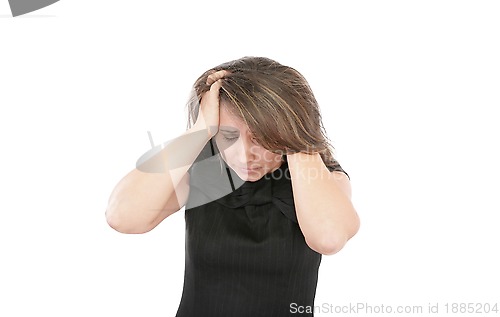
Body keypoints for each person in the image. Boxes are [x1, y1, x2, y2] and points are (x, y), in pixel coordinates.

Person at [106, 56, 360, 316]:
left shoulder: (318, 179)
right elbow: (122, 217)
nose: (244, 155)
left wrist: (296, 132)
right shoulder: (209, 172)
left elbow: (328, 239)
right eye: (228, 135)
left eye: (261, 138)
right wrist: (200, 129)